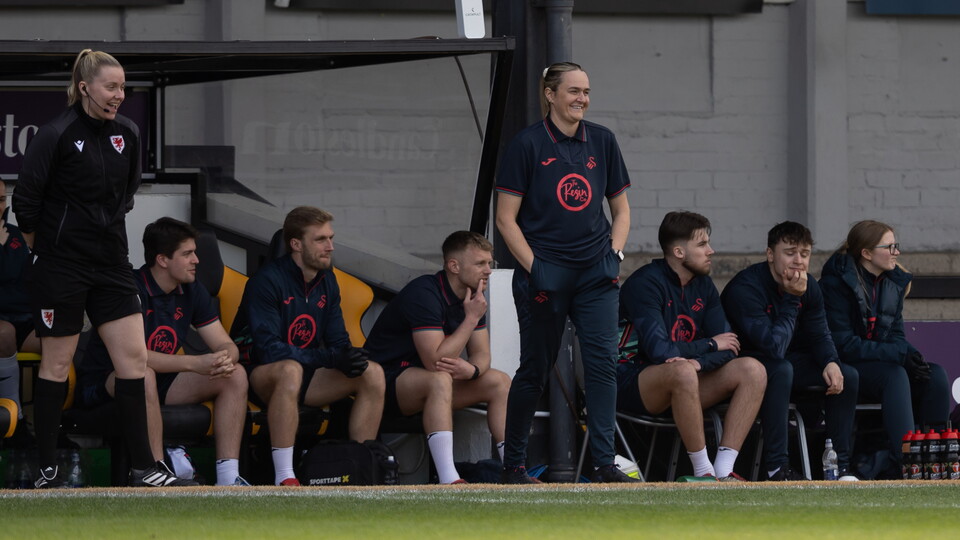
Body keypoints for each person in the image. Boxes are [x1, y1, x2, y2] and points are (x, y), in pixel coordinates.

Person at [13, 49, 194, 488]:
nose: (120, 95)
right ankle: (48, 468)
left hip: (112, 263)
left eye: (123, 87)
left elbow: (126, 195)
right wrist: (50, 251)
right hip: (62, 267)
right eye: (111, 87)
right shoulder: (56, 133)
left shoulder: (128, 132)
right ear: (84, 88)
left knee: (133, 361)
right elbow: (26, 204)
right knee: (56, 364)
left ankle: (145, 467)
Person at [496, 62, 636, 484]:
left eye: (587, 91)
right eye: (574, 91)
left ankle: (603, 463)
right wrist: (537, 268)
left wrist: (615, 254)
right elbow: (505, 220)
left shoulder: (603, 141)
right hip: (546, 275)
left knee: (602, 367)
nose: (582, 99)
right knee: (534, 369)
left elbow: (622, 210)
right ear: (550, 95)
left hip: (596, 274)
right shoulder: (527, 144)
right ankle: (514, 466)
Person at [76, 217, 250, 486]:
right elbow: (133, 358)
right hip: (107, 382)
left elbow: (226, 344)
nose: (197, 260)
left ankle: (228, 478)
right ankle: (156, 473)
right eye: (187, 254)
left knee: (235, 375)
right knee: (142, 374)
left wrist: (225, 358)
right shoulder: (129, 288)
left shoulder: (192, 289)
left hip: (162, 379)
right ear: (162, 259)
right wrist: (195, 363)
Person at [231, 206, 384, 486]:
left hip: (307, 373)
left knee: (371, 372)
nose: (330, 247)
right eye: (321, 240)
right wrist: (330, 357)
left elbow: (338, 341)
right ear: (296, 244)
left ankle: (365, 468)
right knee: (289, 370)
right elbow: (269, 350)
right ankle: (284, 476)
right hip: (259, 375)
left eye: (331, 238)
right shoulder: (266, 281)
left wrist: (349, 356)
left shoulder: (328, 280)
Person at [617, 211, 766, 481]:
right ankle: (703, 472)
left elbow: (730, 346)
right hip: (633, 381)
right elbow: (660, 352)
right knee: (683, 371)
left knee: (753, 369)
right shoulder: (645, 283)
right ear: (678, 252)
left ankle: (724, 470)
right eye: (702, 244)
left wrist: (700, 361)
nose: (711, 251)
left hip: (686, 379)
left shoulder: (704, 285)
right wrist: (709, 344)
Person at [364, 231, 511, 484]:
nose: (488, 270)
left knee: (498, 381)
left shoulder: (473, 295)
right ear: (454, 266)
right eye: (480, 264)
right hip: (384, 383)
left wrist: (473, 370)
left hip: (428, 384)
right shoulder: (424, 292)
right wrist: (471, 318)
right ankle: (449, 479)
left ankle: (514, 470)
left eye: (489, 263)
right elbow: (435, 361)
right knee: (440, 379)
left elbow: (482, 354)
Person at [721, 221, 859, 481]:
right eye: (790, 252)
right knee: (781, 369)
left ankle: (840, 467)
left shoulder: (810, 287)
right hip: (747, 363)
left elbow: (820, 332)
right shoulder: (746, 288)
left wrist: (830, 361)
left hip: (785, 360)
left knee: (846, 375)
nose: (798, 261)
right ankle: (776, 467)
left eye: (804, 254)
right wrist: (793, 297)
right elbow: (773, 347)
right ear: (770, 254)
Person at [819, 220, 950, 477]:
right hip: (846, 366)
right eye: (889, 247)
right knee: (894, 375)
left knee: (935, 376)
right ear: (866, 254)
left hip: (877, 360)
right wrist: (899, 355)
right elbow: (843, 345)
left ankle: (937, 462)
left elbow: (896, 336)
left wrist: (911, 355)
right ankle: (908, 463)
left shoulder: (891, 283)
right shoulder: (834, 285)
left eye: (896, 246)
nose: (896, 253)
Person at [0, 181, 40, 423]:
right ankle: (16, 420)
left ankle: (57, 423)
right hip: (3, 324)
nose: (0, 206)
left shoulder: (15, 234)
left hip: (24, 318)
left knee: (60, 339)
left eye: (2, 200)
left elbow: (20, 276)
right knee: (4, 334)